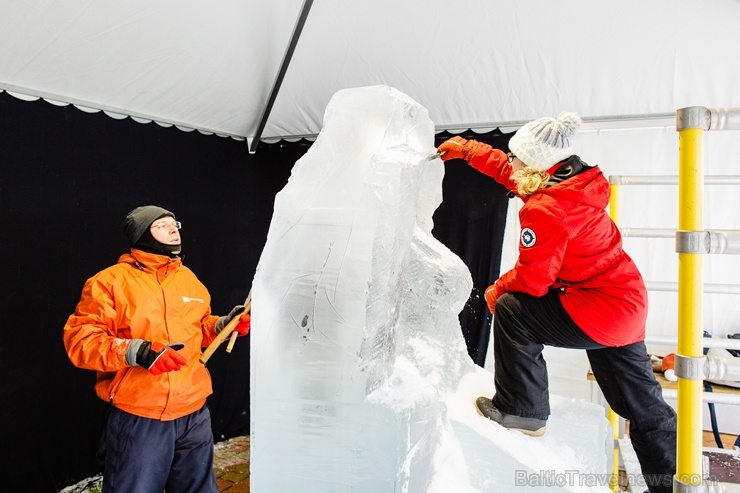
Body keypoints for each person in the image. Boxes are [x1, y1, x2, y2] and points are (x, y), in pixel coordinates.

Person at [437, 113, 677, 493]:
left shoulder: (547, 208)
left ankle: (521, 409)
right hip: (623, 301)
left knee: (514, 308)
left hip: (600, 308)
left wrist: (496, 291)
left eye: (517, 156)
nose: (510, 161)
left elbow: (533, 280)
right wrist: (468, 150)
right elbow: (509, 170)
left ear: (534, 165)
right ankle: (672, 484)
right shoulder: (571, 180)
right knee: (643, 407)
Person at [63, 205, 251, 493]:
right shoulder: (109, 282)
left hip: (194, 411)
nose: (173, 227)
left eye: (174, 222)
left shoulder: (186, 278)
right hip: (141, 416)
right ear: (141, 234)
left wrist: (223, 324)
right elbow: (81, 341)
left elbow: (196, 327)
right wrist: (139, 351)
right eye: (161, 225)